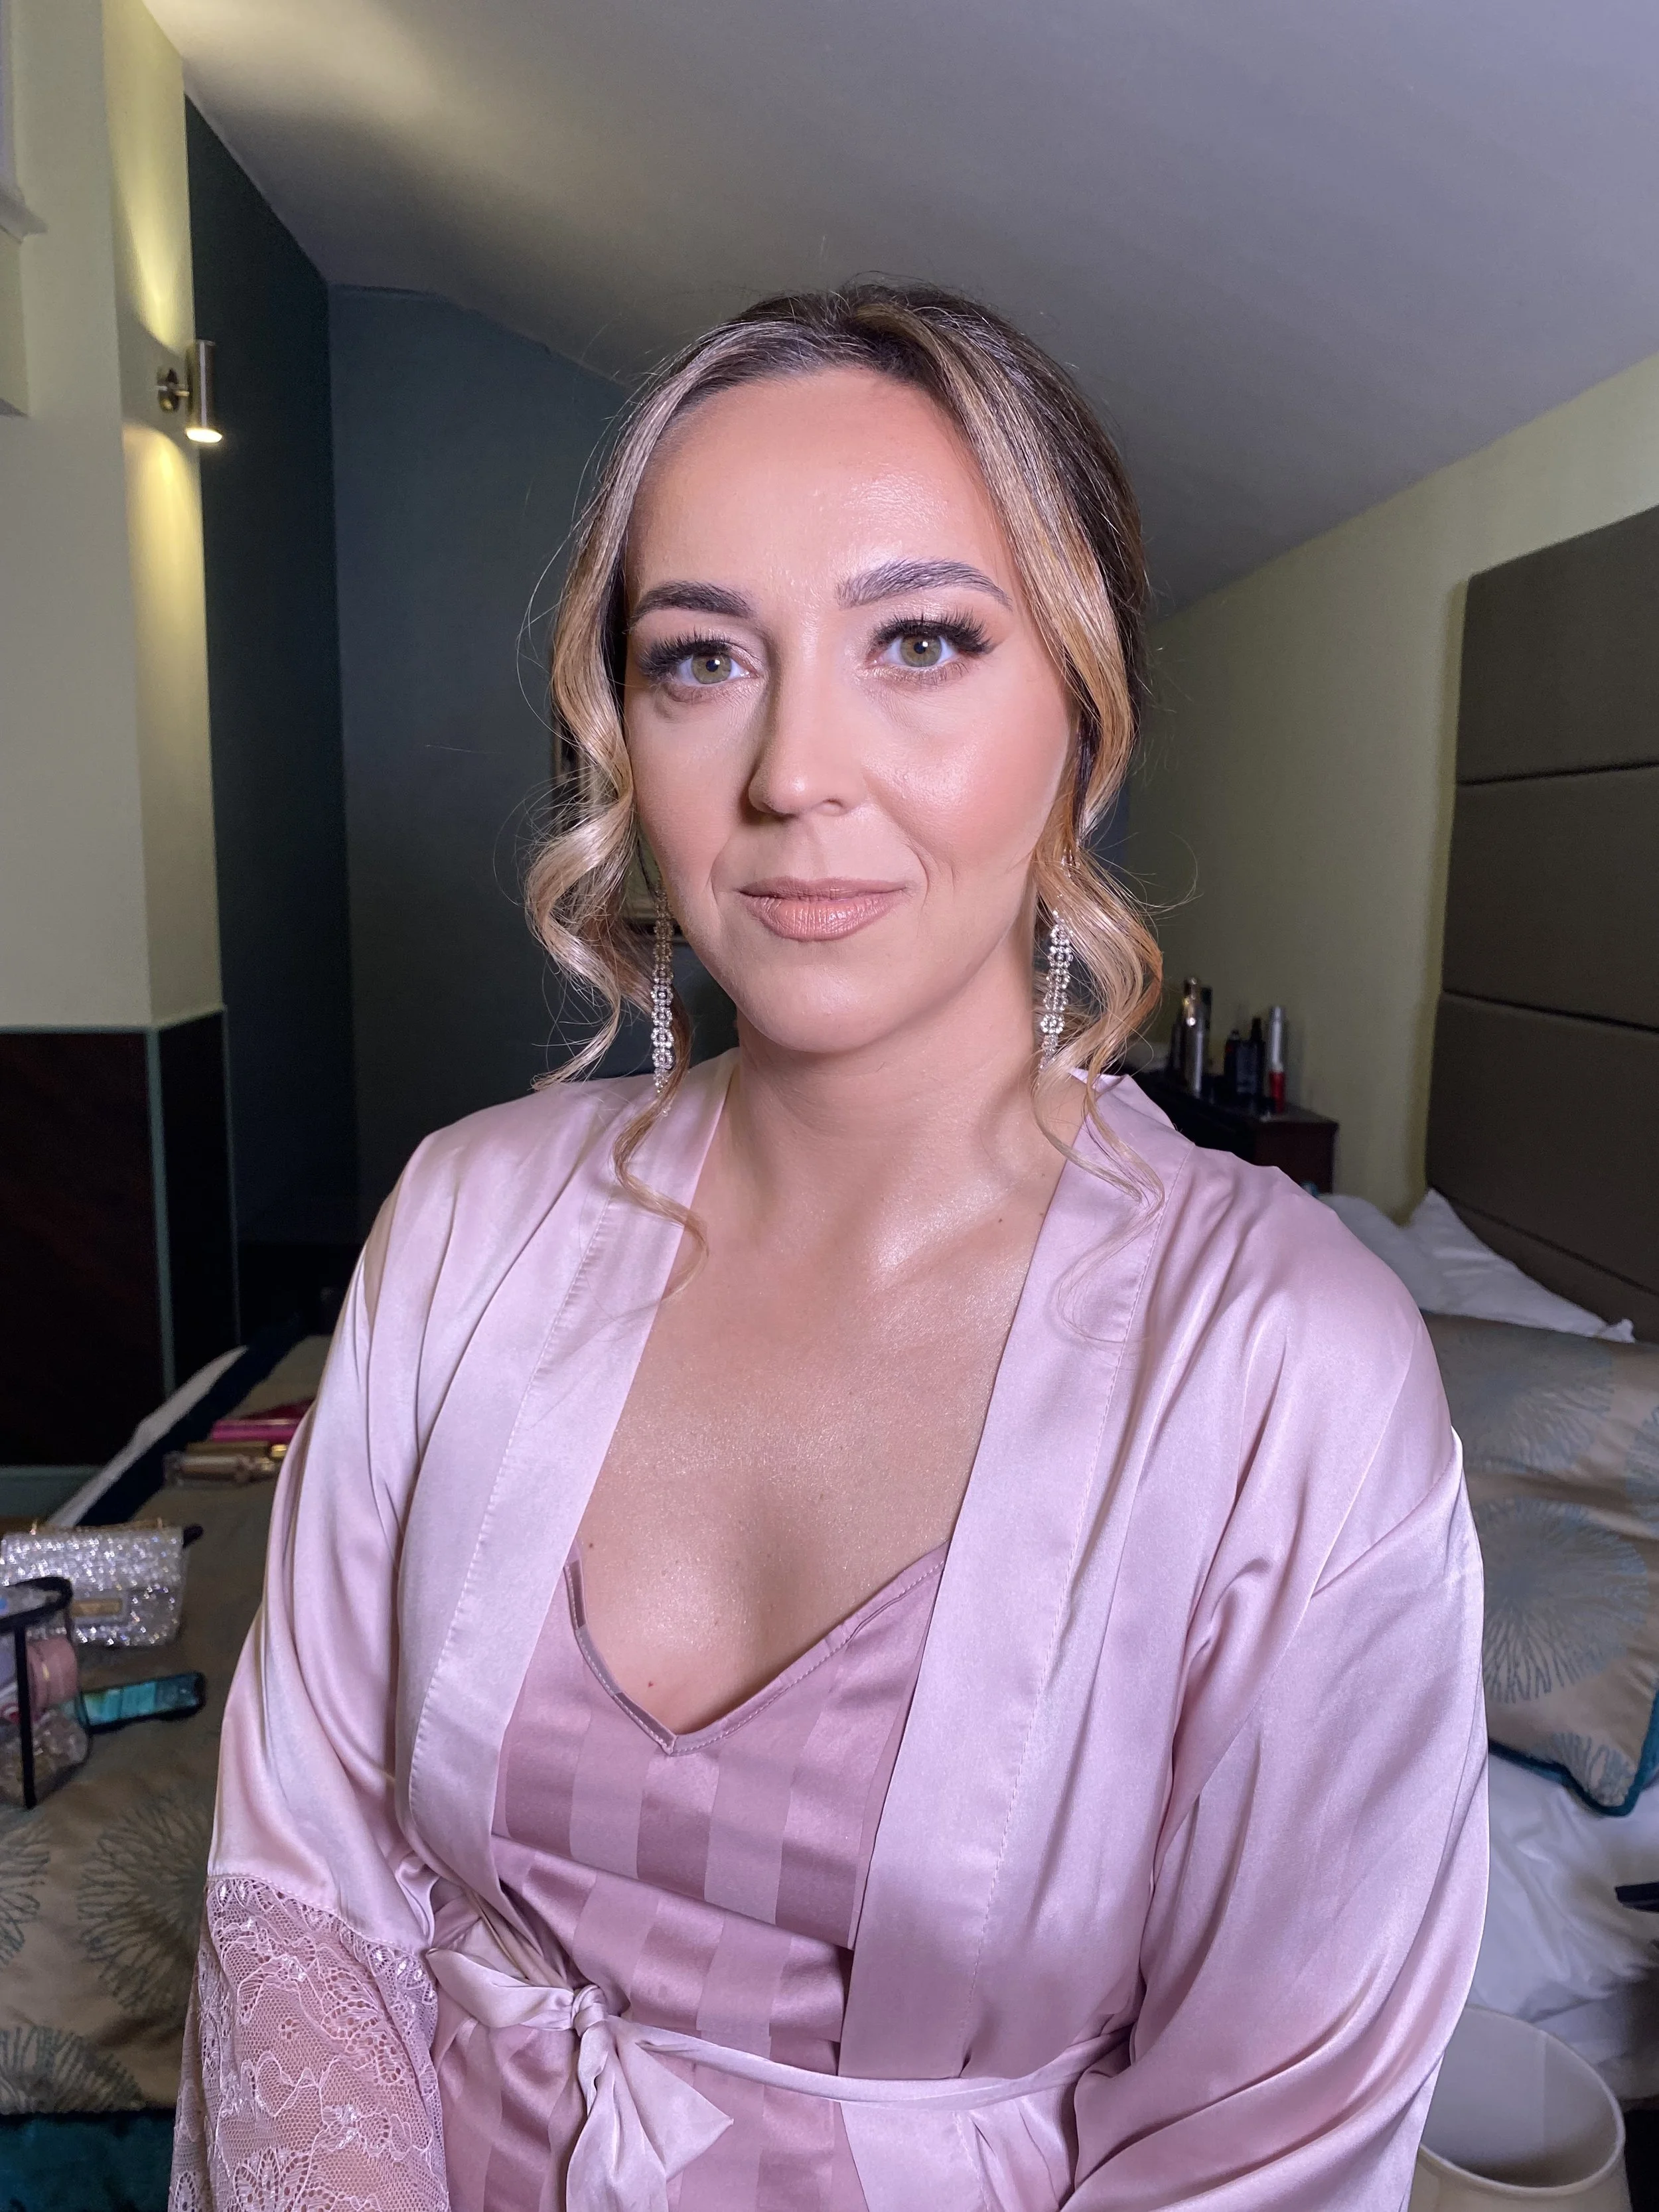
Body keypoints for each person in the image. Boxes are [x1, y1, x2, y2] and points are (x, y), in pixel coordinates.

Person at [171, 283, 1485, 2212]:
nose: (794, 771)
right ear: (620, 726)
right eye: (702, 658)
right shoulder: (462, 1224)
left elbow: (1265, 2142)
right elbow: (303, 1887)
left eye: (922, 639)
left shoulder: (1289, 1372)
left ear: (1085, 712)